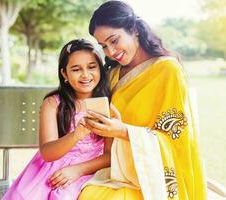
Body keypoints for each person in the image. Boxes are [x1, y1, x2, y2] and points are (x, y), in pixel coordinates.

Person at [78, 1, 207, 199]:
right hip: (116, 168)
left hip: (151, 176)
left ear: (135, 30)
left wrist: (122, 131)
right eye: (103, 46)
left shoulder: (167, 70)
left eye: (114, 40)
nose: (110, 52)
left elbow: (175, 139)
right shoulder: (112, 74)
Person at [2, 39, 112, 200]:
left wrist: (77, 170)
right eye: (76, 69)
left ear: (100, 70)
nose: (85, 75)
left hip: (90, 169)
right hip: (52, 168)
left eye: (91, 67)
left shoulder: (108, 103)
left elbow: (109, 155)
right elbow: (47, 153)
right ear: (64, 74)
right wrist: (76, 135)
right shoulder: (53, 103)